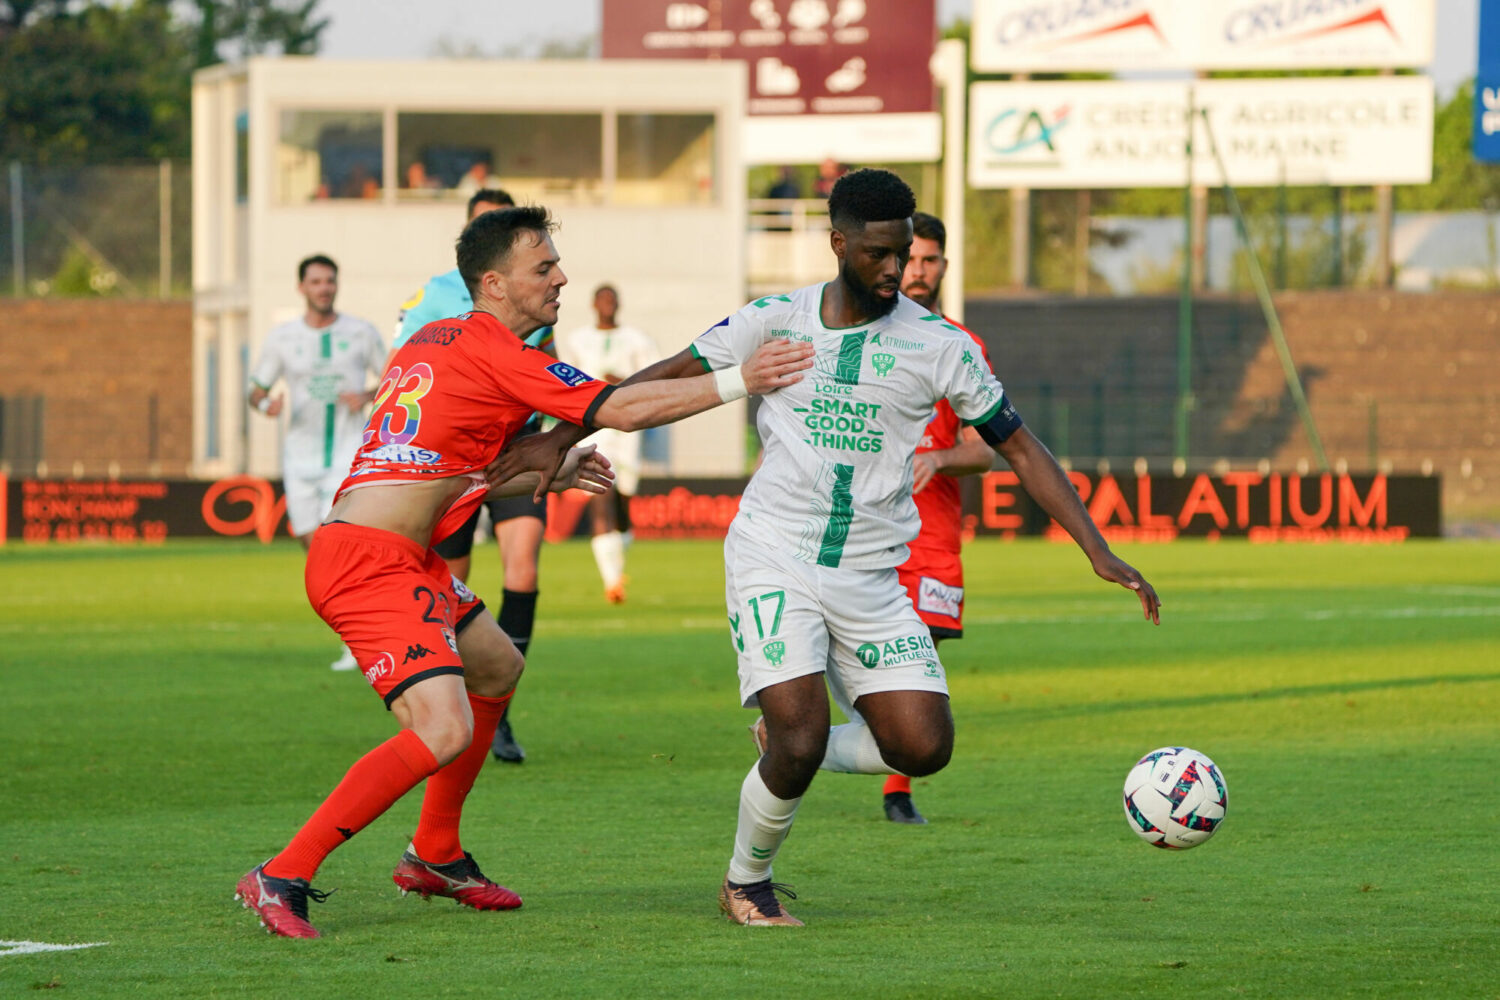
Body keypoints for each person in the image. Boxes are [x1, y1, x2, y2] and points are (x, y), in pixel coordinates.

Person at [506, 169, 1162, 927]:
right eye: (879, 253)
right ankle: (747, 880)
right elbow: (668, 375)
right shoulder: (774, 319)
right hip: (773, 556)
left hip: (872, 576)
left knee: (923, 747)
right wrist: (560, 436)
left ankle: (789, 741)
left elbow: (1018, 446)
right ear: (839, 243)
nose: (895, 269)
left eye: (903, 252)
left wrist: (1095, 548)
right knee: (801, 735)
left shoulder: (941, 346)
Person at [234, 205, 816, 940]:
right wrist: (742, 379)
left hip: (393, 551)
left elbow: (437, 465)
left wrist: (547, 468)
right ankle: (283, 872)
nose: (561, 278)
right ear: (494, 284)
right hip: (367, 563)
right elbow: (624, 409)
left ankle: (435, 853)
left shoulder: (434, 339)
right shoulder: (497, 350)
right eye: (542, 267)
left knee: (497, 665)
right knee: (442, 729)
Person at [394, 187, 552, 763]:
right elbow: (403, 366)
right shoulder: (433, 296)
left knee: (523, 566)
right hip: (453, 459)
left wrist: (554, 435)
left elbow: (547, 359)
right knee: (449, 588)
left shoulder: (531, 290)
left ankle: (501, 713)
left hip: (517, 449)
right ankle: (455, 706)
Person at [878, 211, 995, 825]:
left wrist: (940, 457)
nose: (918, 272)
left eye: (930, 261)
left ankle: (897, 789)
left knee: (921, 665)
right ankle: (802, 743)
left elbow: (988, 449)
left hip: (932, 539)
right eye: (911, 260)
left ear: (944, 266)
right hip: (862, 531)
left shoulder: (962, 345)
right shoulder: (863, 335)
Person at [248, 254, 385, 672]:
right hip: (300, 458)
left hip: (346, 454)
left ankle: (359, 640)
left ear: (337, 285)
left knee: (336, 545)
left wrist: (367, 396)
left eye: (330, 281)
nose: (324, 288)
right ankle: (360, 629)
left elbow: (395, 379)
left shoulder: (361, 332)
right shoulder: (282, 338)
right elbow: (256, 390)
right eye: (316, 281)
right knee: (315, 549)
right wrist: (267, 405)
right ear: (302, 288)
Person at [558, 284, 661, 604]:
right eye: (603, 300)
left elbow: (658, 376)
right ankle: (612, 581)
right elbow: (563, 381)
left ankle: (618, 567)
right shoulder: (577, 340)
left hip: (628, 430)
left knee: (623, 504)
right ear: (593, 304)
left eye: (613, 300)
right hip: (593, 429)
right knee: (600, 495)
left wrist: (624, 382)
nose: (608, 305)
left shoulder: (637, 339)